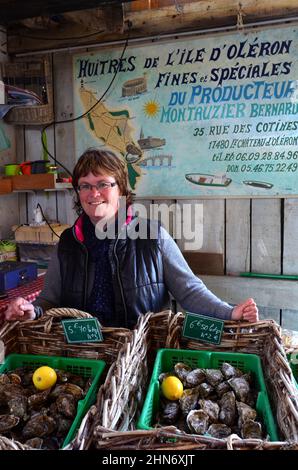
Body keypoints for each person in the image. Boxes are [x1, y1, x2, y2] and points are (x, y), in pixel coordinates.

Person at [4, 148, 258, 327]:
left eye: (104, 184)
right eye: (85, 185)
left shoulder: (153, 236)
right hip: (84, 356)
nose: (94, 193)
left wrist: (230, 312)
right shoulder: (68, 243)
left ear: (122, 189)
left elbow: (189, 292)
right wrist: (32, 311)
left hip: (140, 354)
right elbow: (50, 300)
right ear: (78, 192)